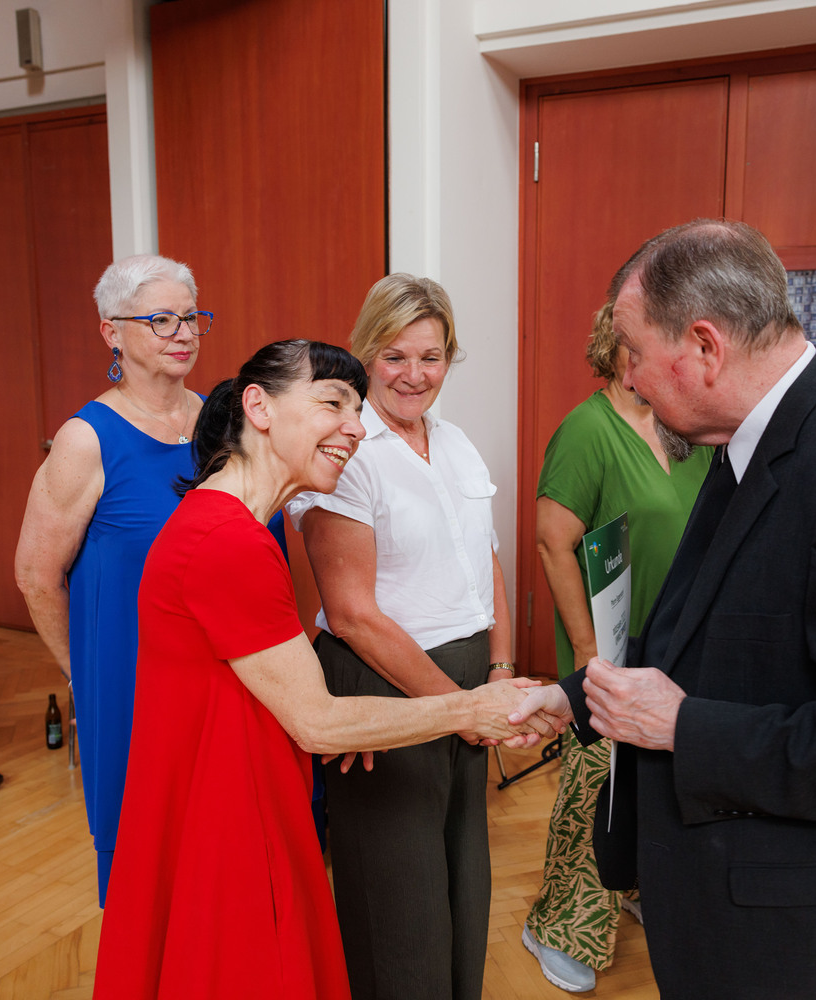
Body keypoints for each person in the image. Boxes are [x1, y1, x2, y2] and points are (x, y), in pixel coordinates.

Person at [514, 220, 816, 999]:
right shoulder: (751, 441)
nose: (631, 378)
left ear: (704, 346)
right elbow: (706, 636)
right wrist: (576, 698)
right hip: (744, 908)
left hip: (814, 946)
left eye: (634, 351)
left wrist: (683, 726)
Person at [92, 340, 553, 999]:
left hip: (230, 798)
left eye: (358, 410)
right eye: (334, 403)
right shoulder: (226, 541)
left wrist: (353, 717)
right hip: (230, 818)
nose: (355, 427)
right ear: (259, 407)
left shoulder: (228, 526)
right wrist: (469, 707)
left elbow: (264, 673)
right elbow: (317, 723)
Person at [286, 274, 514, 1000]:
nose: (414, 375)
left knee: (463, 882)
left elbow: (485, 563)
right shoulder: (344, 454)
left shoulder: (456, 443)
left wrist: (499, 668)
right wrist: (463, 707)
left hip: (466, 678)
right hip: (381, 681)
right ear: (364, 356)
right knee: (399, 900)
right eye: (394, 357)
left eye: (431, 357)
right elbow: (352, 614)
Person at [15, 254, 216, 905]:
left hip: (225, 669)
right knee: (147, 862)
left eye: (191, 317)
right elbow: (36, 575)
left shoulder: (223, 423)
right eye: (161, 320)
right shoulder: (86, 438)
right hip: (132, 678)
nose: (183, 333)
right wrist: (85, 673)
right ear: (112, 332)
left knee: (219, 849)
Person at [522, 300, 711, 992]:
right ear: (621, 349)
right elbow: (554, 543)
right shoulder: (587, 430)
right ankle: (559, 925)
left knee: (659, 782)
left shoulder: (687, 426)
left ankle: (634, 884)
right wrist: (585, 652)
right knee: (596, 791)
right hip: (609, 646)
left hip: (681, 644)